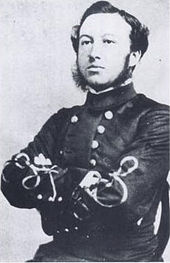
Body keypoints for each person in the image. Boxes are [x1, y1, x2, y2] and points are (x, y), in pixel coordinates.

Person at [1, 1, 169, 262]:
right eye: (86, 41)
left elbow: (120, 200)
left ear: (134, 55)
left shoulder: (158, 118)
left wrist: (50, 177)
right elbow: (10, 180)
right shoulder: (62, 120)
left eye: (108, 42)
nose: (93, 53)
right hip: (56, 256)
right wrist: (88, 180)